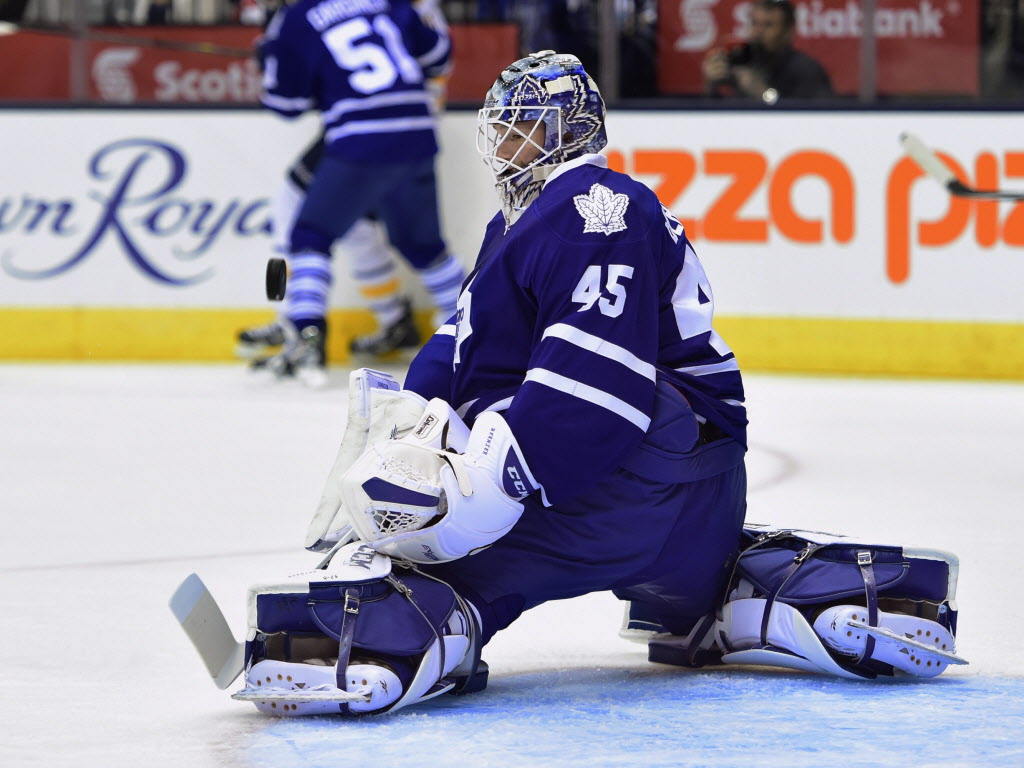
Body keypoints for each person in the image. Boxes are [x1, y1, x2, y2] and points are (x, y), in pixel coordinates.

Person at [221, 52, 964, 716]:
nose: (504, 142)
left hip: (630, 480)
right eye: (499, 126)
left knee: (444, 573)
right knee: (660, 574)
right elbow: (461, 341)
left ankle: (397, 626)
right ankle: (740, 592)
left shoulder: (593, 207)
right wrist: (410, 421)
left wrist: (477, 489)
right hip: (678, 499)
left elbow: (595, 382)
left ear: (568, 131)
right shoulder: (523, 222)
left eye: (522, 126)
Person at [249, 0, 465, 387]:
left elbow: (286, 104)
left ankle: (305, 335)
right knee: (422, 246)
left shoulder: (298, 17)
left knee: (310, 236)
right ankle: (473, 328)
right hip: (417, 131)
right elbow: (438, 55)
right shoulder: (386, 2)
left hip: (360, 139)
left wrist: (271, 58)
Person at [702, 0, 832, 102]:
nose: (758, 32)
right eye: (754, 23)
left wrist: (763, 93)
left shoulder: (807, 70)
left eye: (768, 25)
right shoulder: (742, 59)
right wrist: (711, 84)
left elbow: (815, 118)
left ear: (788, 31)